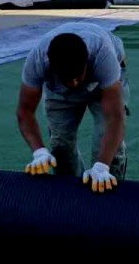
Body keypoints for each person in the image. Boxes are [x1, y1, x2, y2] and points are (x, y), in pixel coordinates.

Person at [15, 22, 129, 193]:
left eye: (77, 76)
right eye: (68, 78)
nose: (75, 84)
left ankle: (110, 199)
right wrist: (39, 152)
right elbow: (25, 111)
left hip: (102, 85)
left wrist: (102, 166)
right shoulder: (37, 61)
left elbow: (115, 117)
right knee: (60, 149)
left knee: (109, 152)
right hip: (59, 91)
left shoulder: (103, 56)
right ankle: (71, 198)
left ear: (86, 63)